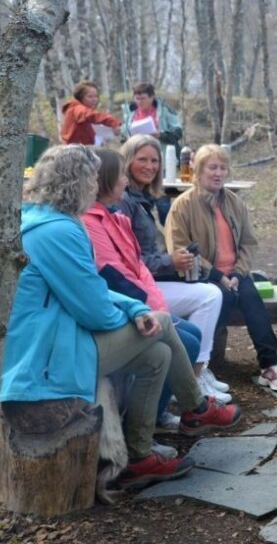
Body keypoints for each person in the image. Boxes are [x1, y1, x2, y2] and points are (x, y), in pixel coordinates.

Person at [0, 145, 241, 490]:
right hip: (44, 356)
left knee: (157, 353)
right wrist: (142, 318)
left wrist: (135, 309)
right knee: (163, 325)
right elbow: (94, 311)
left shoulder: (46, 220)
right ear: (78, 181)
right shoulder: (57, 231)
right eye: (93, 179)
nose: (96, 187)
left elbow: (90, 286)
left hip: (60, 335)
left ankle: (139, 455)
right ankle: (197, 407)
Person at [82, 147, 231, 414]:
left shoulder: (117, 214)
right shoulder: (95, 219)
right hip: (119, 309)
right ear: (106, 178)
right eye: (122, 175)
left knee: (192, 330)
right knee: (187, 338)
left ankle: (171, 407)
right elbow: (116, 276)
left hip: (141, 297)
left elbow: (138, 267)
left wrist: (159, 309)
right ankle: (189, 407)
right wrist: (152, 307)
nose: (126, 181)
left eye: (155, 160)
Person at [165, 144, 277, 392]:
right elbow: (181, 248)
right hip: (202, 277)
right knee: (221, 298)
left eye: (223, 168)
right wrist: (219, 276)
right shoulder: (182, 206)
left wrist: (236, 273)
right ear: (199, 171)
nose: (218, 173)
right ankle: (201, 366)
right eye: (212, 167)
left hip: (235, 273)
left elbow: (248, 243)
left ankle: (270, 364)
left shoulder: (234, 203)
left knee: (251, 298)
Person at [119, 135, 229, 401]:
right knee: (210, 295)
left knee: (212, 291)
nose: (150, 166)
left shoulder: (143, 198)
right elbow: (127, 261)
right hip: (132, 290)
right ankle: (193, 377)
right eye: (142, 159)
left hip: (149, 281)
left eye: (155, 160)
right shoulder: (124, 201)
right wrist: (170, 261)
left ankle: (198, 373)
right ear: (127, 160)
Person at [121, 82, 184, 223]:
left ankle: (170, 235)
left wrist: (160, 134)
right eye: (136, 98)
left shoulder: (165, 110)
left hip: (162, 162)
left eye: (142, 98)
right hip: (137, 163)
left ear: (152, 97)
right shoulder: (130, 112)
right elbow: (123, 135)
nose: (139, 102)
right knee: (140, 202)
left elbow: (178, 131)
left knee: (162, 203)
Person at [60, 80, 122, 145]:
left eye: (96, 96)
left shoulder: (75, 108)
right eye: (90, 97)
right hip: (77, 149)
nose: (94, 99)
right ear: (80, 97)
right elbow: (91, 115)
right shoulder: (77, 109)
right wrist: (113, 122)